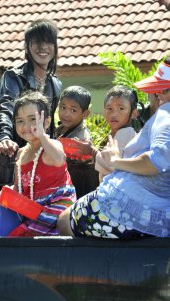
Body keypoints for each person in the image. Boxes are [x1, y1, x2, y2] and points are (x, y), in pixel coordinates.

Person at [57, 59, 170, 238]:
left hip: (132, 210)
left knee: (63, 220)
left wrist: (116, 161)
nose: (153, 97)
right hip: (149, 212)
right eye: (109, 108)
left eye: (157, 92)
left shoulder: (165, 114)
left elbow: (156, 161)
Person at [6, 90, 76, 236]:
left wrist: (42, 136)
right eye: (20, 121)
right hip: (33, 211)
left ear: (47, 121)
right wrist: (8, 192)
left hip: (57, 209)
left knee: (24, 236)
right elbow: (19, 187)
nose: (26, 126)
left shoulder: (52, 145)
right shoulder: (21, 154)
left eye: (33, 119)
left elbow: (59, 159)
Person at [0, 19, 62, 157]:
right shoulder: (13, 77)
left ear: (55, 46)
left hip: (44, 156)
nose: (43, 47)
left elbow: (49, 123)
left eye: (48, 42)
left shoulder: (55, 84)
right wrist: (4, 138)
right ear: (27, 46)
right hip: (15, 154)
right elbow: (5, 110)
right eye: (37, 42)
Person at [55, 85, 99, 198]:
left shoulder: (81, 139)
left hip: (76, 191)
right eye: (63, 107)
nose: (66, 114)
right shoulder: (60, 129)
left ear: (85, 114)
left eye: (73, 110)